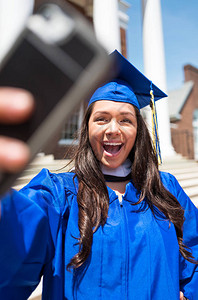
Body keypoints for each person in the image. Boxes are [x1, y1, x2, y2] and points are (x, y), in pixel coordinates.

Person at [0, 51, 198, 300]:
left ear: (138, 130)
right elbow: (16, 238)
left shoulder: (164, 188)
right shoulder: (59, 194)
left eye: (125, 120)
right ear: (87, 128)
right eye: (101, 119)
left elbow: (195, 252)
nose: (113, 129)